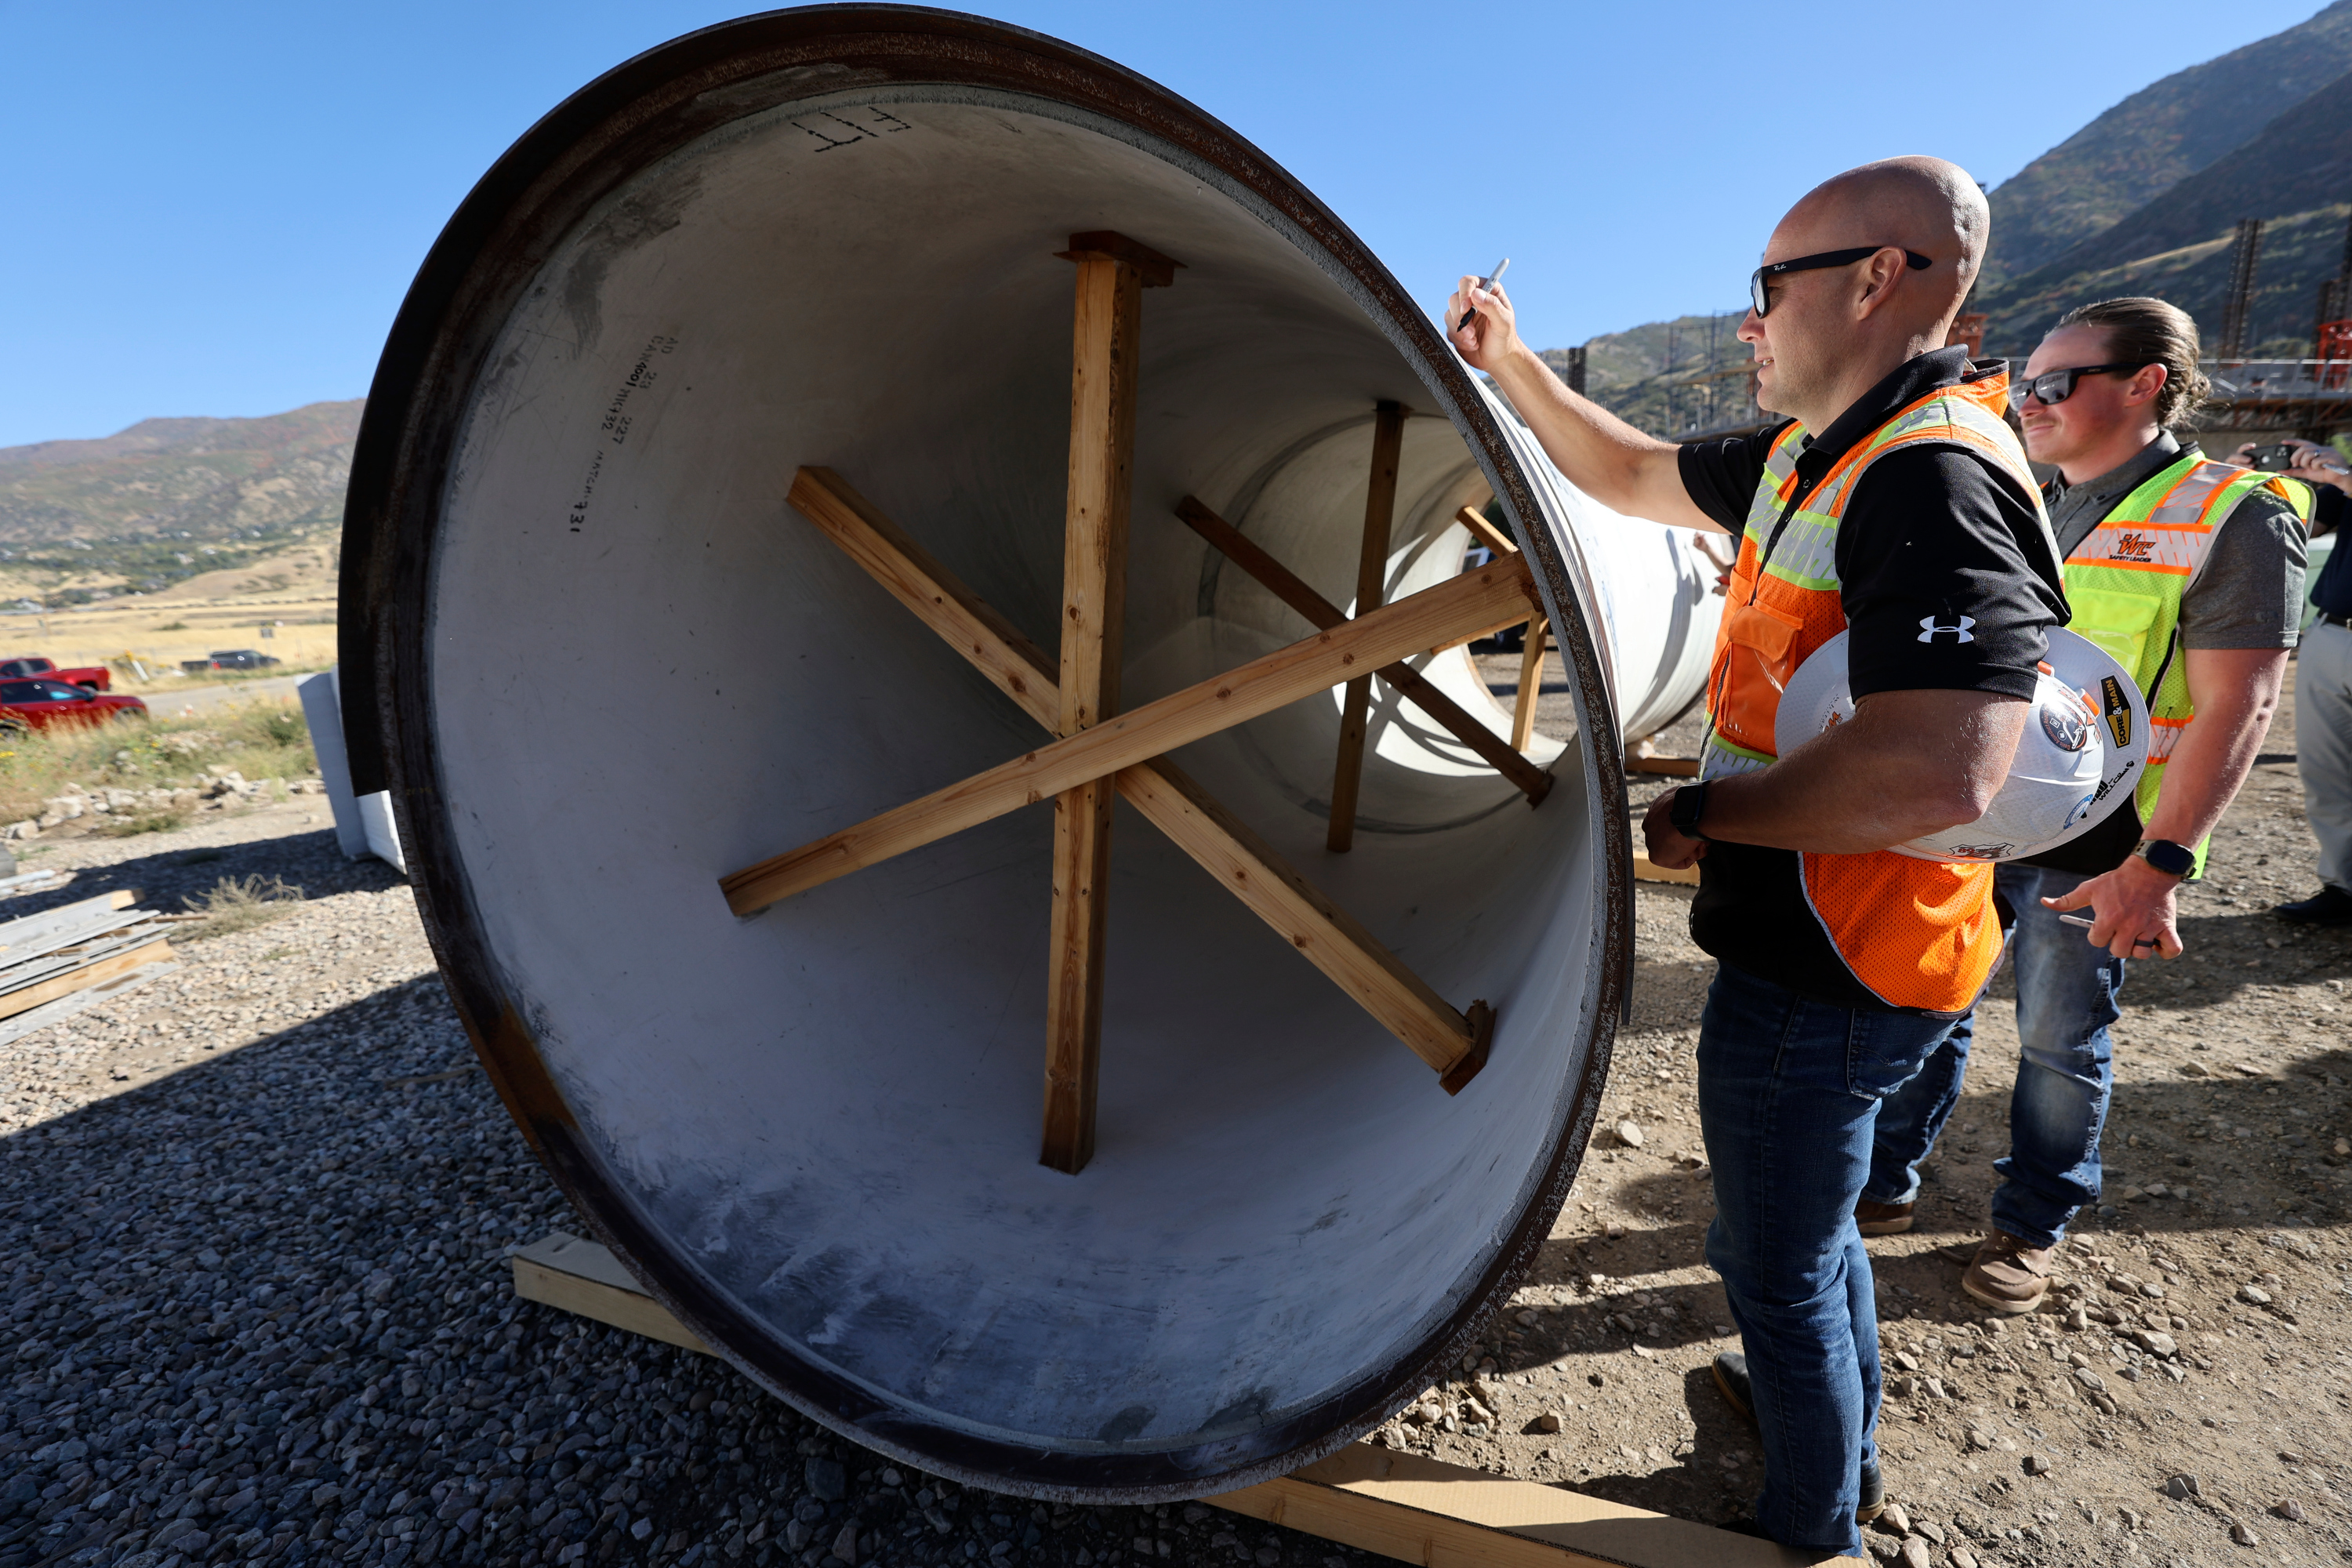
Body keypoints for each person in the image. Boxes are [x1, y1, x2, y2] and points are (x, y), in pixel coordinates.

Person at [1446, 157, 2065, 1556]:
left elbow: (1942, 764)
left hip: (1843, 958)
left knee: (1771, 1258)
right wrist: (1515, 362)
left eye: (1766, 288)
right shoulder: (1816, 453)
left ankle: (1813, 1524)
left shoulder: (1933, 481)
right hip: (1844, 939)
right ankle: (1825, 1433)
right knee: (1809, 1229)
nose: (1747, 323)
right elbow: (1619, 469)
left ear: (1877, 278)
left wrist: (1708, 819)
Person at [1864, 299, 2311, 1314]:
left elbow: (2239, 706)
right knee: (1932, 996)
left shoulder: (2233, 512)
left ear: (2147, 383)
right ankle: (1888, 1181)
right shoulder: (2024, 492)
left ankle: (2032, 1224)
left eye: (2057, 384)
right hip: (1979, 812)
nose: (2031, 401)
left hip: (2104, 846)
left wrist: (2163, 865)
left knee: (2061, 1038)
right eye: (2029, 383)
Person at [2245, 441, 2352, 924]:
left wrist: (2344, 477)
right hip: (2333, 631)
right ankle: (2343, 886)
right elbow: (2298, 529)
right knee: (2326, 773)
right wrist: (2259, 484)